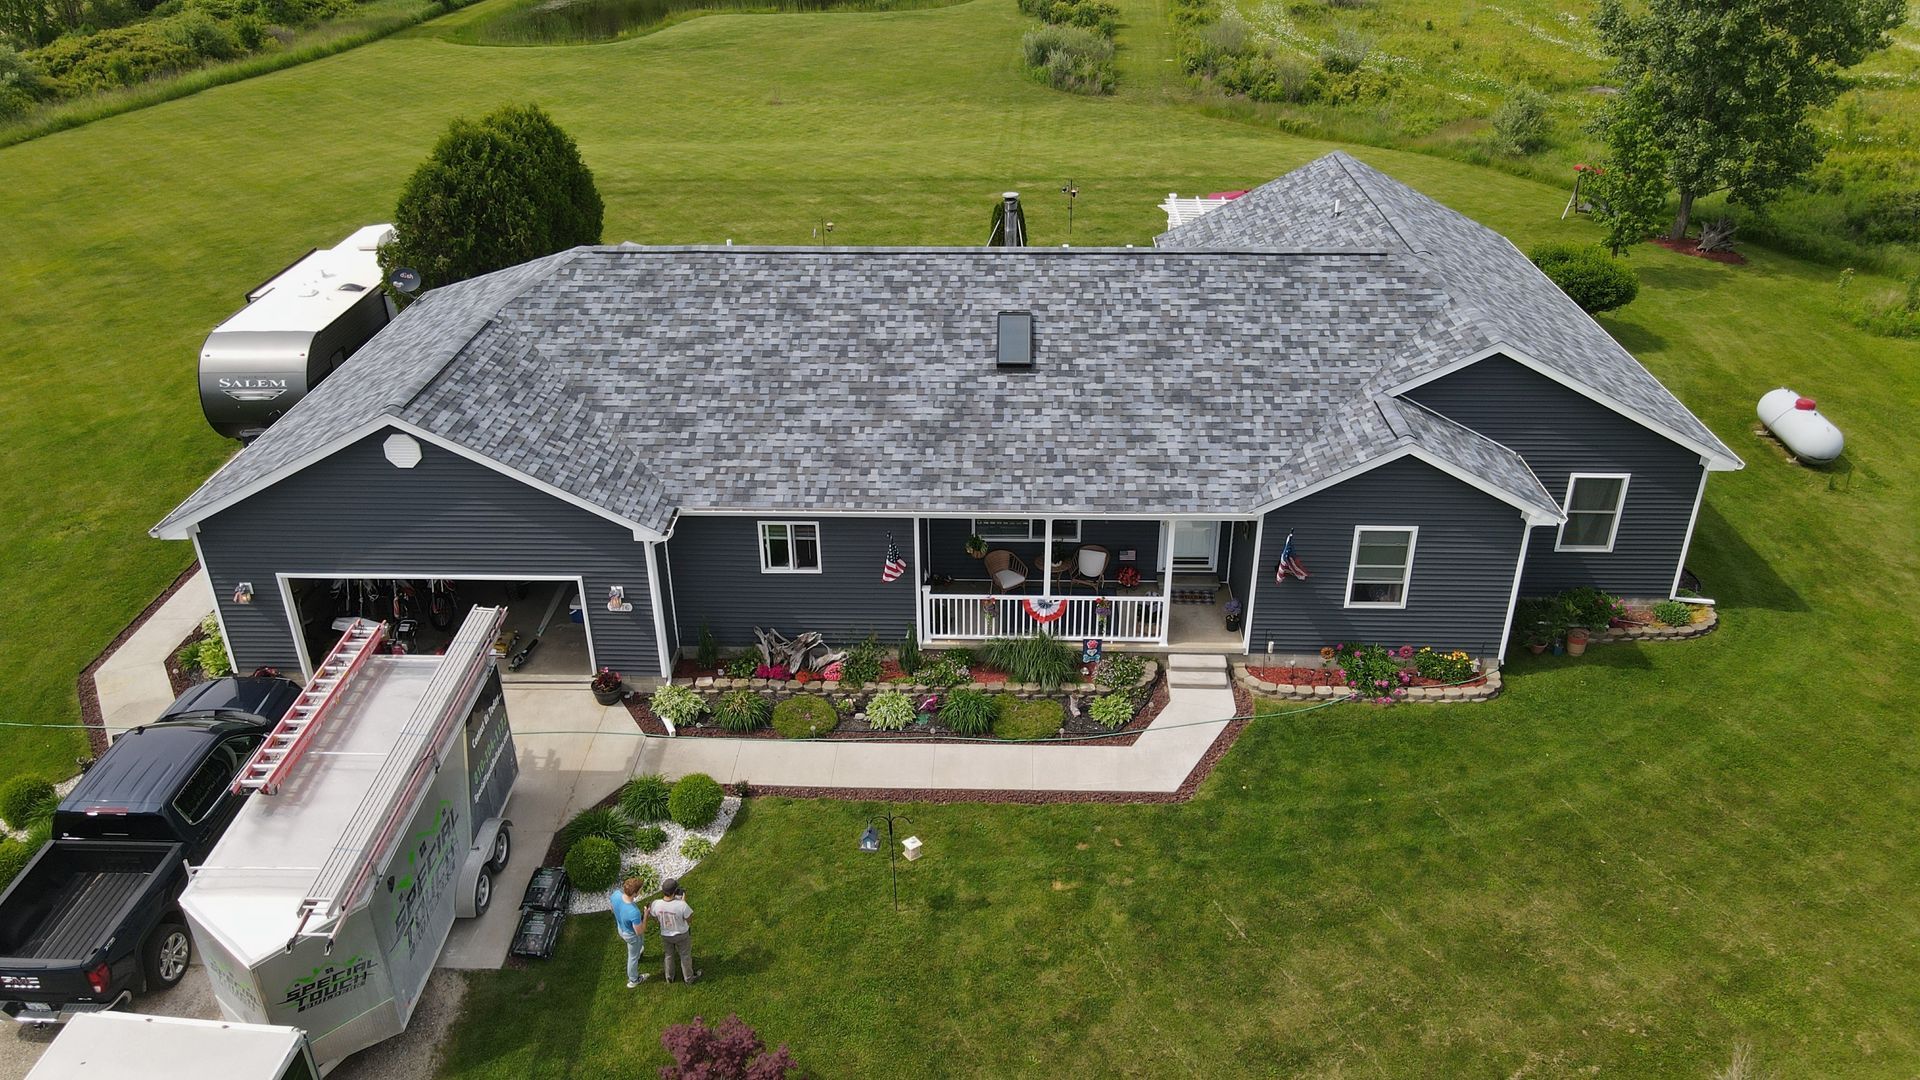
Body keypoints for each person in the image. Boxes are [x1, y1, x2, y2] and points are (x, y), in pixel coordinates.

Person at [649, 878, 698, 984]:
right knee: (685, 955)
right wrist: (683, 901)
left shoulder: (656, 904)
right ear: (675, 891)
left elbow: (653, 916)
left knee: (669, 955)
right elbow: (689, 919)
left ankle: (669, 977)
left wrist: (660, 921)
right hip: (682, 934)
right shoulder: (681, 905)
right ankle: (689, 978)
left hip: (665, 935)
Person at [610, 877, 649, 988]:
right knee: (632, 957)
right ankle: (633, 980)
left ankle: (639, 952)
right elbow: (640, 931)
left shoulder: (616, 895)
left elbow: (612, 909)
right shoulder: (633, 912)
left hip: (621, 928)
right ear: (635, 893)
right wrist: (645, 915)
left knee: (638, 945)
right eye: (640, 889)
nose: (641, 890)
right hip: (630, 935)